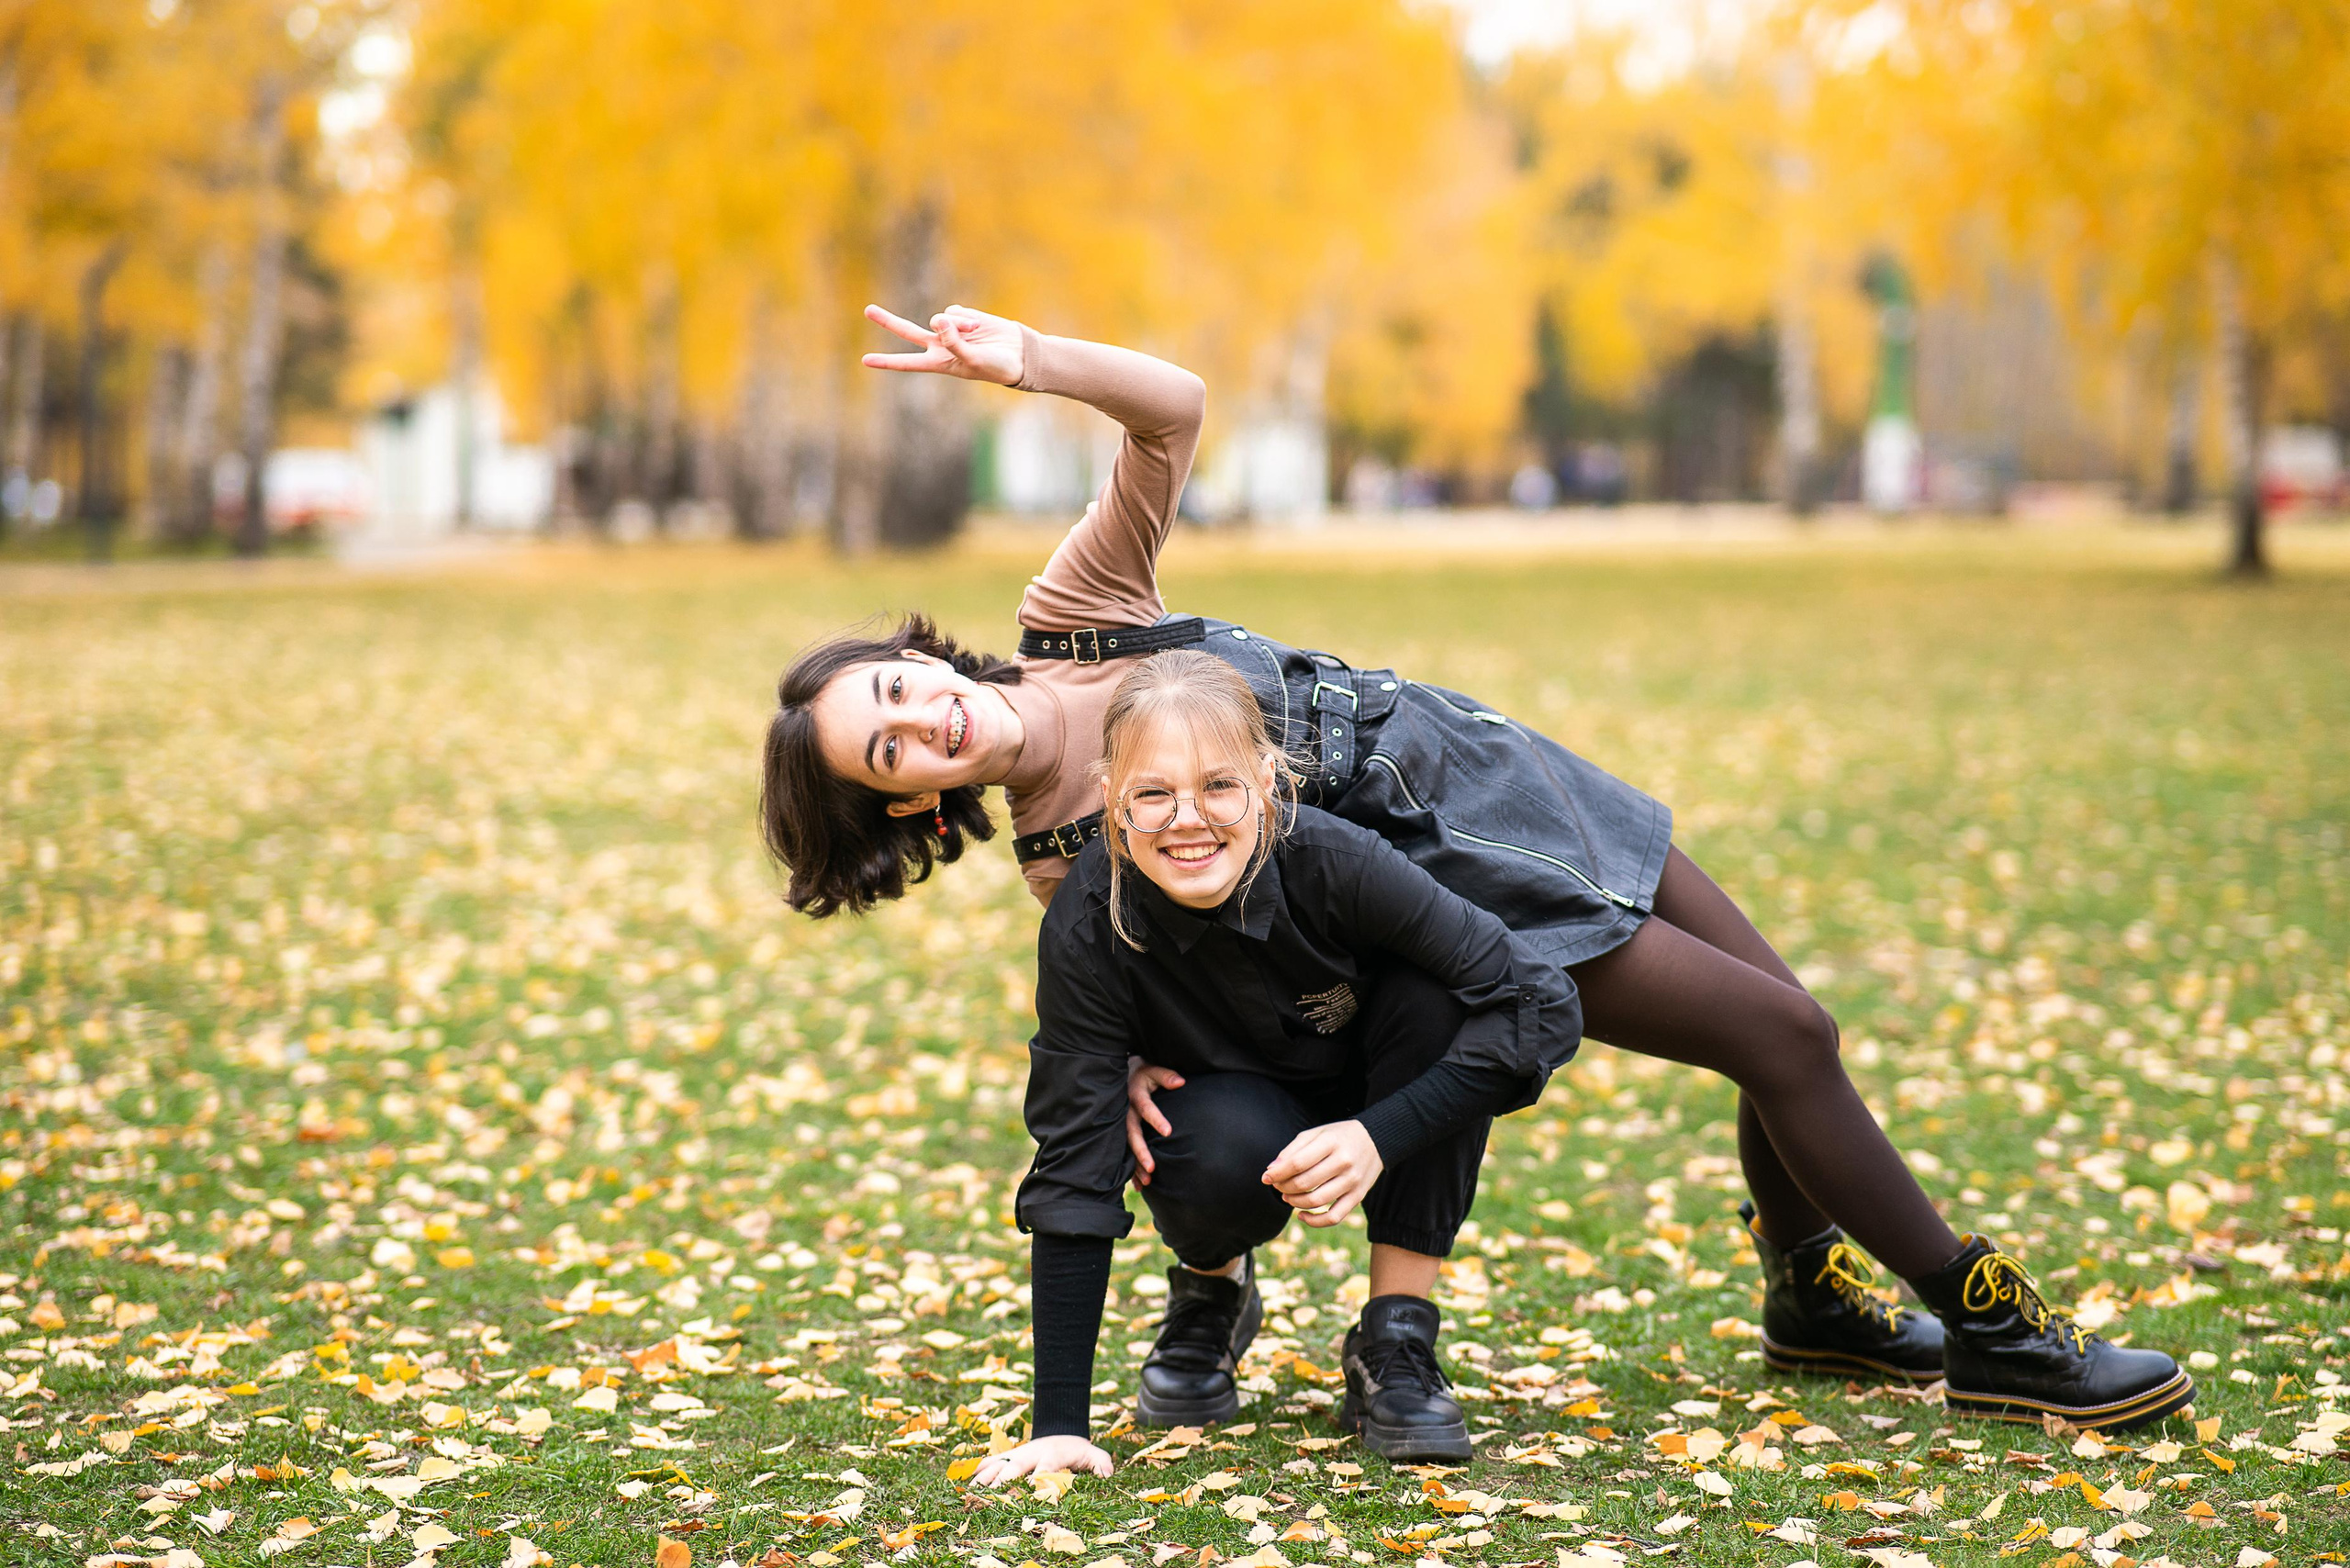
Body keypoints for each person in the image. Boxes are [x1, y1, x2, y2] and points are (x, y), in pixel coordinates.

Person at [761, 303, 2195, 1440]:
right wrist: (1125, 1056)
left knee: (1784, 1017)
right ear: (916, 805)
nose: (921, 722)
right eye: (890, 757)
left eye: (892, 691)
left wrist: (1033, 363)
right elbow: (1137, 984)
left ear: (910, 656)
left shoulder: (1074, 616)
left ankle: (1811, 1298)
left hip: (1499, 774)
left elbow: (1175, 412)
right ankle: (1993, 1328)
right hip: (1455, 898)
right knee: (1787, 1037)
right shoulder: (1069, 858)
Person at [986, 651, 1583, 1479]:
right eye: (1152, 794)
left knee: (1446, 1007)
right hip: (1226, 1110)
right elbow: (1072, 1160)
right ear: (1114, 802)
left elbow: (1539, 1001)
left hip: (1379, 1087)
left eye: (1218, 787)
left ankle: (1396, 1337)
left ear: (1267, 780)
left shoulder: (1339, 860)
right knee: (1195, 1139)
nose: (1186, 820)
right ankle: (1210, 1295)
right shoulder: (1092, 916)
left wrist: (1380, 1133)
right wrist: (1056, 1422)